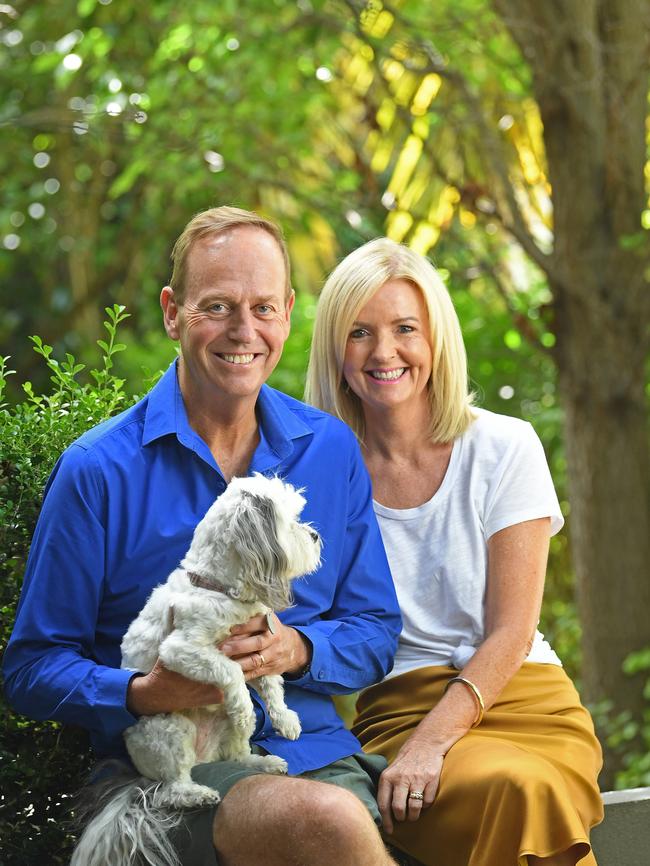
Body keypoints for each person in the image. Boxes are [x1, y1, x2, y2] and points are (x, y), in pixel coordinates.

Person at [3, 207, 404, 866]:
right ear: (171, 311)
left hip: (313, 759)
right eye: (217, 306)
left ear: (287, 314)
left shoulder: (329, 451)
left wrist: (298, 648)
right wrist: (140, 693)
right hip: (165, 776)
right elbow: (31, 668)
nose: (244, 331)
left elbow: (375, 629)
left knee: (337, 814)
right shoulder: (99, 470)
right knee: (326, 824)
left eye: (263, 308)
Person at [305, 237, 604, 866]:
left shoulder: (505, 446)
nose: (384, 351)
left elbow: (513, 631)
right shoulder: (318, 479)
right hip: (398, 714)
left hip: (526, 700)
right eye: (359, 332)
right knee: (519, 791)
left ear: (436, 337)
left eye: (405, 328)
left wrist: (431, 746)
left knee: (527, 782)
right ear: (335, 351)